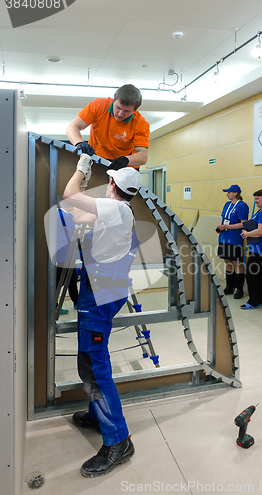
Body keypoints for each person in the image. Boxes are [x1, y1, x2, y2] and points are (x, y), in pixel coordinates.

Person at [62, 154, 142, 478]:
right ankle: (99, 415)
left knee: (96, 368)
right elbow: (80, 214)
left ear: (112, 185)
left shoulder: (115, 209)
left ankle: (118, 442)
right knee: (89, 359)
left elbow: (69, 198)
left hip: (100, 296)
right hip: (104, 291)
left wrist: (81, 169)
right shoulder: (122, 212)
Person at [66, 84, 150, 170]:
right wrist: (79, 143)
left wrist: (126, 159)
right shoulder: (99, 105)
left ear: (134, 110)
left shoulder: (141, 124)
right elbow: (72, 127)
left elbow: (142, 156)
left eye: (127, 111)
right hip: (97, 159)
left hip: (124, 165)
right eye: (118, 107)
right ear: (114, 100)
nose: (120, 113)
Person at [240, 188, 262, 310]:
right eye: (255, 198)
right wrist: (246, 231)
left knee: (251, 273)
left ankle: (254, 301)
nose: (255, 201)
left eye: (257, 198)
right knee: (259, 273)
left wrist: (247, 234)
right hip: (258, 247)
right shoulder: (261, 211)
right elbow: (252, 225)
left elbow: (261, 231)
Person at [216, 185, 249, 299]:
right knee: (227, 261)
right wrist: (220, 227)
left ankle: (239, 288)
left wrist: (227, 226)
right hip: (224, 236)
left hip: (235, 237)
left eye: (229, 192)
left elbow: (243, 224)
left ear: (236, 193)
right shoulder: (227, 204)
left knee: (237, 262)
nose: (227, 194)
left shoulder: (242, 206)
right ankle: (229, 286)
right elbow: (223, 218)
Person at [56, 205, 79, 314]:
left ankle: (76, 301)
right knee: (59, 280)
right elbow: (75, 231)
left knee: (72, 277)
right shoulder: (60, 215)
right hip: (63, 252)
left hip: (68, 252)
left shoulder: (66, 214)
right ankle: (54, 306)